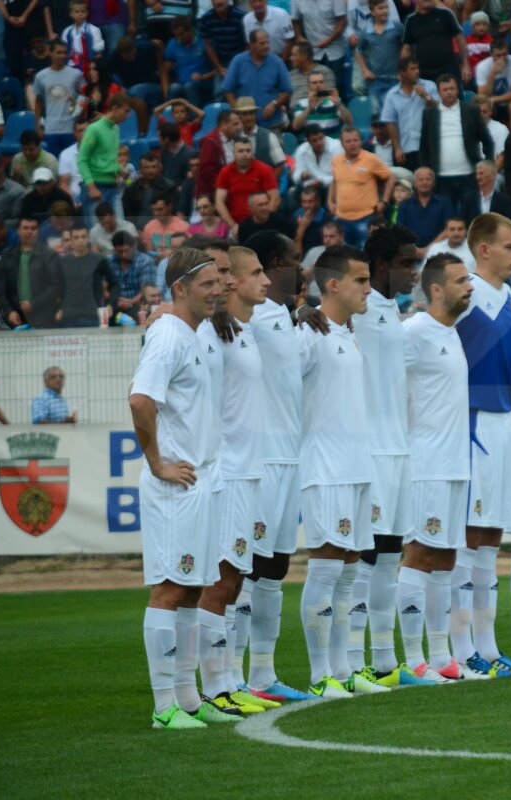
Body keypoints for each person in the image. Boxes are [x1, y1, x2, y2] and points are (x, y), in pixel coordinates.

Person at [130, 247, 225, 730]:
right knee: (170, 589)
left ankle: (188, 699)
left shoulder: (196, 330)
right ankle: (164, 705)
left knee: (191, 589)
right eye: (207, 283)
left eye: (217, 282)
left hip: (201, 479)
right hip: (177, 484)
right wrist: (158, 463)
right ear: (180, 289)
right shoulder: (168, 335)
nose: (217, 290)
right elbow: (141, 401)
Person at [191, 244, 283, 718]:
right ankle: (213, 687)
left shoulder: (239, 330)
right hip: (226, 471)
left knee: (236, 581)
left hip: (249, 471)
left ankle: (228, 680)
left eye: (235, 272)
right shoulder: (211, 332)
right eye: (253, 272)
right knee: (220, 581)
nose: (259, 280)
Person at [237, 231, 320, 704]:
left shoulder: (283, 317)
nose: (302, 269)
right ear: (271, 266)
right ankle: (230, 678)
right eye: (293, 261)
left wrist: (299, 314)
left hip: (291, 457)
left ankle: (263, 676)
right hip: (262, 460)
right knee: (246, 569)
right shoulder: (245, 318)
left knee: (276, 568)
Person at [340, 226, 423, 686]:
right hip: (368, 450)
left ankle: (386, 662)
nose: (415, 271)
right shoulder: (360, 310)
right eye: (409, 263)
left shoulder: (393, 311)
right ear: (384, 266)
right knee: (365, 557)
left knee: (392, 554)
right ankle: (352, 661)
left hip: (398, 448)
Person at [297, 244, 377, 699]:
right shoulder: (309, 333)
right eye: (360, 281)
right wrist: (297, 314)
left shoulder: (348, 332)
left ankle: (345, 669)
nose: (368, 289)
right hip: (325, 468)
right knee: (327, 571)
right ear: (333, 284)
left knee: (350, 572)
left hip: (357, 467)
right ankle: (319, 674)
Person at [394, 252, 478, 680]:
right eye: (462, 280)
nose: (470, 286)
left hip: (453, 464)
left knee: (446, 557)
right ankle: (412, 661)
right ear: (436, 290)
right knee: (420, 554)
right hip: (424, 462)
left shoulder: (451, 332)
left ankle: (443, 658)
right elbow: (385, 389)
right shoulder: (413, 332)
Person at [450, 212, 511, 678]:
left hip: (504, 422)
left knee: (492, 537)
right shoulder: (466, 295)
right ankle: (460, 650)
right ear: (484, 250)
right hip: (472, 424)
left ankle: (490, 648)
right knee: (467, 537)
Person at [419, 73, 495, 219]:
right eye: (445, 89)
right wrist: (427, 170)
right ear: (439, 92)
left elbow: (487, 140)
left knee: (473, 216)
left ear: (458, 90)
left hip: (469, 174)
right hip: (441, 177)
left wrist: (488, 163)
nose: (449, 92)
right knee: (446, 220)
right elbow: (424, 147)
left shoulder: (471, 111)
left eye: (452, 88)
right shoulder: (429, 114)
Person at [329, 126, 393, 246]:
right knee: (343, 256)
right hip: (341, 217)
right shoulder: (336, 161)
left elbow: (390, 177)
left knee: (366, 254)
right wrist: (330, 201)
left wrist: (384, 201)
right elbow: (335, 180)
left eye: (355, 140)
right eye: (348, 141)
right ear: (342, 144)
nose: (352, 144)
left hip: (365, 217)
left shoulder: (371, 159)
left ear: (361, 141)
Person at [0, 217, 62, 328]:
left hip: (43, 316)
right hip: (16, 316)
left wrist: (33, 304)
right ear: (18, 231)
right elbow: (1, 288)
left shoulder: (49, 255)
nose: (30, 231)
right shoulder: (7, 255)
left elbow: (56, 287)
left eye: (33, 228)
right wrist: (9, 311)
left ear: (38, 231)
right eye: (26, 228)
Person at [76, 93, 129, 225]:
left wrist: (119, 169)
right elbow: (82, 159)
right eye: (126, 111)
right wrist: (92, 187)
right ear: (115, 108)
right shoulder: (94, 129)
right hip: (96, 187)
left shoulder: (116, 128)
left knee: (121, 231)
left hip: (113, 186)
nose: (127, 116)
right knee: (97, 235)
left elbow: (108, 158)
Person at [223, 31, 292, 132]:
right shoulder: (238, 61)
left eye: (267, 42)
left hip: (271, 123)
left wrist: (274, 104)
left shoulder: (277, 62)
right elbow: (227, 89)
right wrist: (237, 110)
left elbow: (287, 91)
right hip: (244, 124)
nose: (266, 46)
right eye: (262, 43)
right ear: (251, 44)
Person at [380, 58, 440, 170]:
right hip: (404, 149)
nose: (417, 71)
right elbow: (390, 123)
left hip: (427, 148)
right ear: (402, 73)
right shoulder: (392, 94)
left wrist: (426, 97)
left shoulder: (429, 86)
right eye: (412, 69)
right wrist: (397, 148)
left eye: (417, 68)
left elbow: (440, 110)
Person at [215, 137, 278, 236]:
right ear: (233, 153)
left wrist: (264, 221)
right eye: (240, 151)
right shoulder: (225, 172)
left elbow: (275, 198)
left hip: (260, 224)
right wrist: (233, 225)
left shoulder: (264, 169)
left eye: (248, 151)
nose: (245, 154)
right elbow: (219, 202)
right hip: (236, 225)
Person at [56, 224, 117, 326]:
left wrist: (111, 304)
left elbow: (115, 283)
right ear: (70, 240)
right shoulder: (62, 262)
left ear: (88, 238)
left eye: (83, 237)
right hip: (68, 317)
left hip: (93, 316)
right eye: (76, 237)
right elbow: (55, 289)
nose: (80, 240)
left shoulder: (99, 260)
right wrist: (56, 309)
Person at [33, 40, 87, 156]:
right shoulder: (41, 76)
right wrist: (38, 125)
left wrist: (80, 120)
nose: (63, 56)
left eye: (64, 52)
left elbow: (84, 97)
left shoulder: (76, 74)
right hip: (51, 129)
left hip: (70, 129)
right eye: (59, 52)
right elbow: (38, 102)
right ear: (50, 53)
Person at [356, 0, 405, 114]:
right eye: (381, 8)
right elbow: (358, 52)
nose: (385, 11)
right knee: (377, 113)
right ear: (372, 11)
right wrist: (365, 70)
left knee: (395, 112)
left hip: (395, 79)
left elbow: (406, 47)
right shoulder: (366, 32)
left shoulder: (397, 27)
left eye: (386, 8)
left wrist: (402, 70)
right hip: (375, 81)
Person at [109, 230, 158, 319]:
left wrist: (130, 302)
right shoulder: (108, 262)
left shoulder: (145, 262)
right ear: (114, 249)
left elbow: (146, 290)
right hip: (114, 304)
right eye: (120, 251)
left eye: (126, 251)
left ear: (134, 247)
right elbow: (104, 288)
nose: (124, 254)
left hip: (139, 305)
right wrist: (116, 301)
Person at [196, 110, 243, 201]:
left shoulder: (236, 139)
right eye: (235, 124)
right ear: (224, 124)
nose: (239, 127)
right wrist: (222, 188)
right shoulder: (211, 141)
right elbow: (207, 170)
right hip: (214, 194)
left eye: (239, 123)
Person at [476, 37, 511, 122]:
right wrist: (493, 74)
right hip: (491, 103)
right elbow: (482, 95)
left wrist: (494, 99)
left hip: (510, 100)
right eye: (498, 55)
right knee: (483, 107)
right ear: (491, 54)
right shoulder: (482, 67)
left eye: (505, 54)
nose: (502, 58)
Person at [124, 154, 179, 223]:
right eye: (147, 167)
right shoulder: (131, 190)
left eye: (154, 167)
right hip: (138, 229)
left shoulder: (169, 187)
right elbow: (129, 215)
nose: (150, 170)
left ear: (159, 168)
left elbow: (175, 212)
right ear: (140, 169)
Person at [143, 195, 191, 260]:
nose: (156, 213)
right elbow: (149, 251)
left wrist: (170, 254)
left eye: (160, 209)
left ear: (170, 206)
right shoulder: (149, 227)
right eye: (154, 210)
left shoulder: (183, 226)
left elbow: (189, 251)